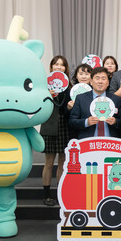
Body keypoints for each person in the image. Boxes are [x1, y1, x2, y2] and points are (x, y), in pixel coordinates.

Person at [40, 55, 71, 206]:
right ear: (51, 67)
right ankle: (46, 195)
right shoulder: (44, 85)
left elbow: (68, 109)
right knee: (49, 163)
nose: (59, 67)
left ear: (66, 68)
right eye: (56, 64)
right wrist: (49, 96)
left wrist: (69, 106)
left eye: (62, 65)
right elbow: (39, 105)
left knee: (62, 163)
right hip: (50, 125)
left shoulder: (70, 86)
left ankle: (60, 193)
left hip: (65, 126)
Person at [69, 67, 121, 139]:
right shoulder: (81, 98)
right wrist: (87, 122)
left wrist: (115, 122)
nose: (100, 81)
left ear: (108, 83)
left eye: (103, 79)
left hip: (111, 142)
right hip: (88, 142)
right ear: (91, 82)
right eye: (97, 78)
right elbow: (72, 122)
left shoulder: (116, 99)